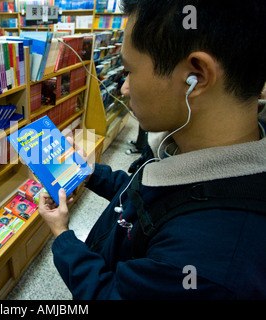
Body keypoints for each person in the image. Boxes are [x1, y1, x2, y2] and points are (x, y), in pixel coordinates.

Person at [38, 0, 266, 299]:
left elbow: (110, 295)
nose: (124, 88)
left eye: (129, 70)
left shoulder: (207, 263)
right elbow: (146, 195)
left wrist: (63, 236)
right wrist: (89, 172)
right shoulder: (193, 148)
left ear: (195, 76)